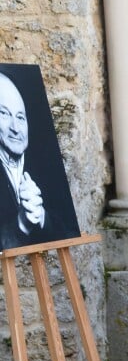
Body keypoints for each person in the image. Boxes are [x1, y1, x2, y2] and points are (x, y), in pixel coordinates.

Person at [0, 72, 55, 248]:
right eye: (4, 114)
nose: (16, 128)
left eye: (20, 117)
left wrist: (41, 215)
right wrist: (21, 225)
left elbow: (66, 229)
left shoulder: (47, 166)